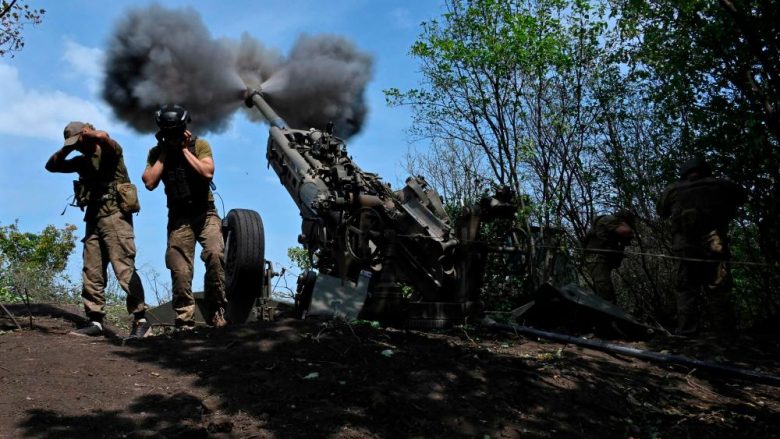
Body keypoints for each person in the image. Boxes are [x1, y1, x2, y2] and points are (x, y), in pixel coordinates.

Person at [45, 122, 150, 338]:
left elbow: (106, 139)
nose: (77, 147)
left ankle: (141, 320)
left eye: (78, 142)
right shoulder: (80, 161)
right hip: (93, 218)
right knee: (91, 270)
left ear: (86, 135)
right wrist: (67, 148)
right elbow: (51, 166)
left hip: (116, 217)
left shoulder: (110, 153)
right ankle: (95, 321)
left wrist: (92, 134)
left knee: (124, 268)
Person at [142, 104, 227, 330]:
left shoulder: (199, 145)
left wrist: (183, 150)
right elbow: (149, 181)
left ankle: (217, 310)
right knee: (180, 268)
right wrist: (166, 151)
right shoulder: (156, 153)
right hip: (179, 217)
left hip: (205, 213)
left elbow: (207, 172)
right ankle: (184, 321)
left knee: (216, 255)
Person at [657, 157, 747, 336]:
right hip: (713, 242)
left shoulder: (673, 189)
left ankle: (687, 332)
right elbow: (742, 197)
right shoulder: (719, 184)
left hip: (685, 245)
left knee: (686, 288)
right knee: (718, 286)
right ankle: (725, 333)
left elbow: (661, 211)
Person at [582, 211, 635, 302]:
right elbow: (626, 231)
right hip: (596, 258)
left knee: (603, 291)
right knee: (605, 293)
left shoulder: (613, 226)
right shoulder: (610, 219)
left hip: (601, 259)